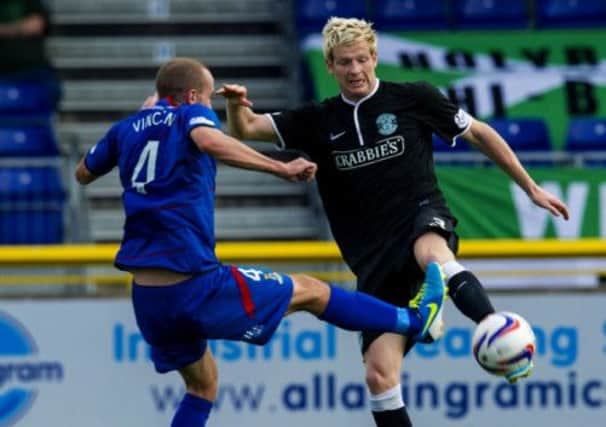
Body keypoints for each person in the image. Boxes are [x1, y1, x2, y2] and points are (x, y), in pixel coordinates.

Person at [218, 17, 571, 427]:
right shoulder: (317, 119)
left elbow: (479, 133)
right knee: (378, 376)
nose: (355, 70)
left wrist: (530, 187)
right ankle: (428, 310)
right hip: (372, 260)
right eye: (345, 62)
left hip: (420, 215)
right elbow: (245, 128)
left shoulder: (413, 98)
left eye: (362, 59)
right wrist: (234, 104)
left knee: (431, 253)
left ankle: (495, 327)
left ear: (375, 57)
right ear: (329, 66)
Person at [74, 57, 448, 427]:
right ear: (191, 96)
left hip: (149, 299)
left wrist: (144, 122)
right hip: (193, 284)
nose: (210, 108)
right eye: (207, 99)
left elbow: (84, 173)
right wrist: (280, 167)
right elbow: (209, 140)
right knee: (314, 292)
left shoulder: (126, 129)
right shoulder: (190, 116)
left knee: (202, 386)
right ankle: (414, 320)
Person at [0, 0, 61, 115]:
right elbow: (31, 26)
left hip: (33, 71)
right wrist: (22, 28)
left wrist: (5, 29)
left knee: (52, 90)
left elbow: (37, 25)